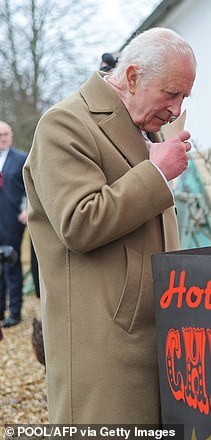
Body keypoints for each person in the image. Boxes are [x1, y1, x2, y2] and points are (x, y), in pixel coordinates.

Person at [23, 27, 196, 424]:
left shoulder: (144, 127)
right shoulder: (63, 124)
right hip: (104, 343)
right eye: (171, 93)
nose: (176, 108)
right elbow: (79, 222)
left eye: (184, 97)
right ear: (132, 77)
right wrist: (155, 172)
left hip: (153, 332)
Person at [0, 120, 28, 327]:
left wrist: (27, 208)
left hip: (12, 220)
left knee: (11, 263)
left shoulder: (21, 159)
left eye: (5, 135)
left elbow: (31, 187)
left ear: (11, 136)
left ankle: (15, 311)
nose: (2, 138)